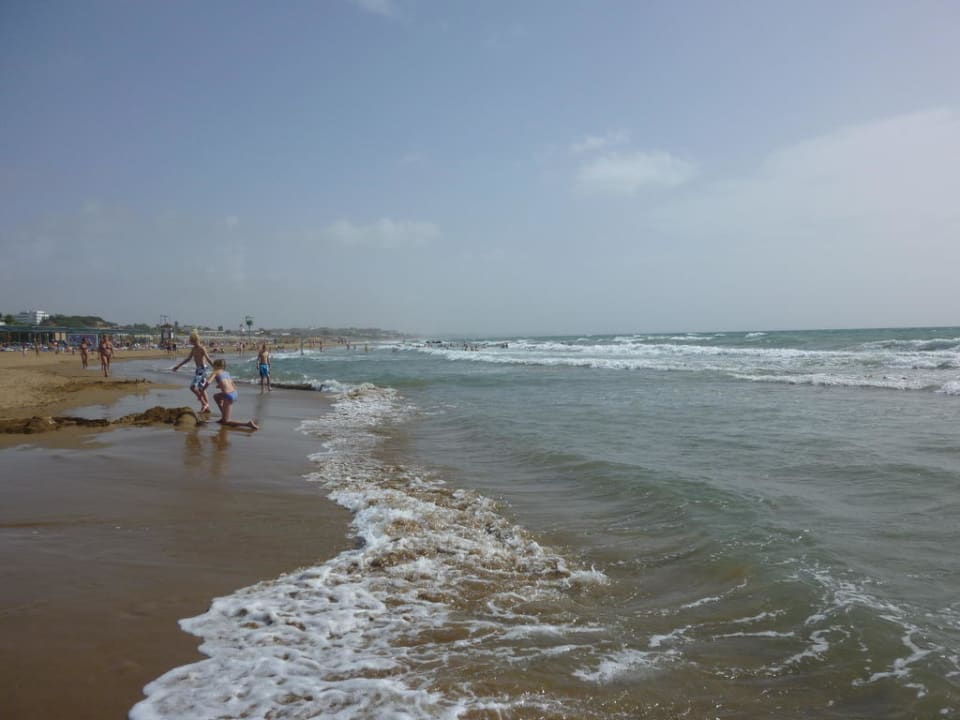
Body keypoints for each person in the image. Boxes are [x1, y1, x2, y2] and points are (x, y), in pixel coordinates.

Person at [208, 359, 258, 430]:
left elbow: (208, 382)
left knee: (226, 422)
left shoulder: (216, 372)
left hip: (228, 395)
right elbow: (233, 385)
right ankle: (224, 416)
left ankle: (247, 424)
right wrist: (220, 386)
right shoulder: (226, 373)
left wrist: (202, 389)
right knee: (216, 397)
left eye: (214, 366)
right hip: (234, 393)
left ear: (217, 366)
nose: (213, 367)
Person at [172, 330, 215, 413]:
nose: (191, 343)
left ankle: (204, 404)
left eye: (192, 341)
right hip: (198, 370)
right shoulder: (193, 349)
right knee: (201, 389)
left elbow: (208, 359)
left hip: (202, 369)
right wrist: (178, 366)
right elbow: (188, 359)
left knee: (192, 387)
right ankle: (207, 407)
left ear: (196, 340)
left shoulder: (202, 348)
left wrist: (216, 368)